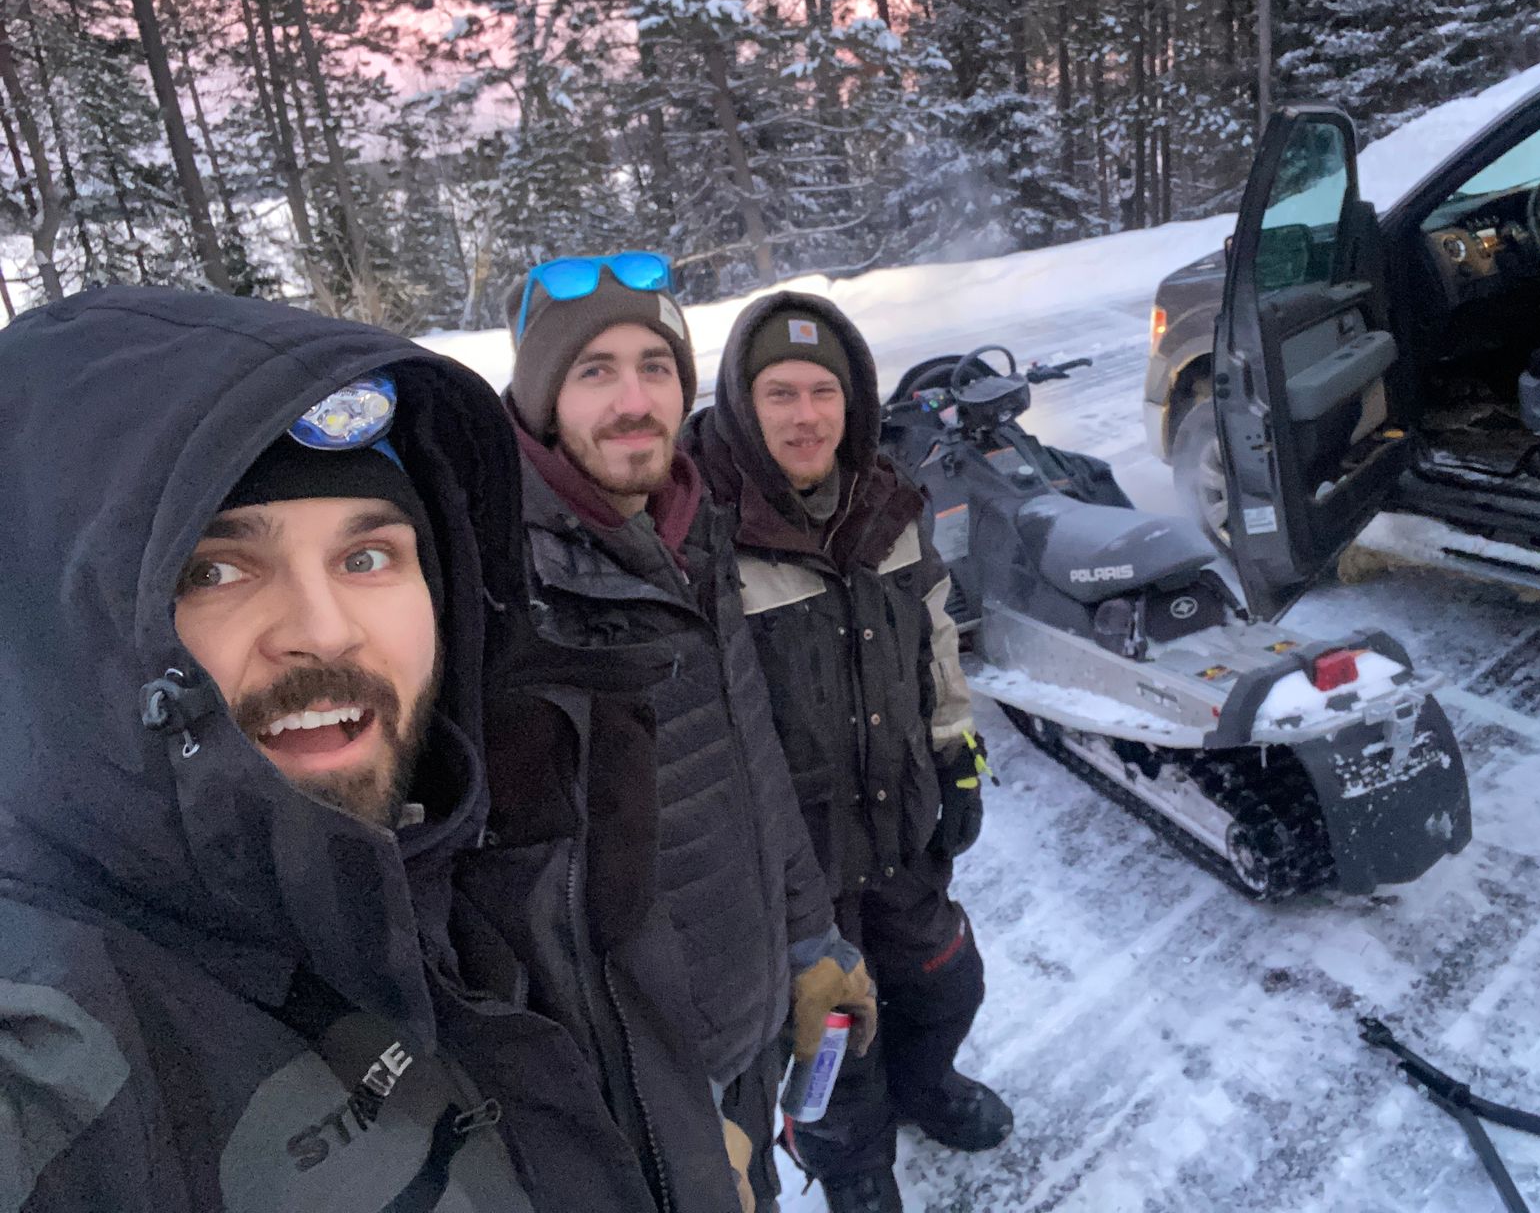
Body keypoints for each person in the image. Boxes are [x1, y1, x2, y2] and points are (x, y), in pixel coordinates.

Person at [0, 287, 676, 1210]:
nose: (324, 632)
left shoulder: (476, 852)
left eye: (367, 558)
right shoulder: (57, 1056)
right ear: (65, 637)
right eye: (216, 570)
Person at [503, 257, 876, 1211]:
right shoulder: (505, 581)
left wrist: (810, 941)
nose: (635, 401)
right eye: (595, 371)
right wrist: (648, 1111)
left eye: (656, 367)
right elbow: (512, 913)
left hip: (742, 1026)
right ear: (543, 396)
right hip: (648, 1093)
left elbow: (751, 762)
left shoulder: (691, 528)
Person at [683, 293, 1012, 1213]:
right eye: (778, 393)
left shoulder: (889, 504)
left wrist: (957, 752)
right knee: (827, 1036)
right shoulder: (700, 529)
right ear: (744, 404)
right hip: (793, 865)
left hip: (900, 824)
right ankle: (850, 1163)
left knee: (946, 981)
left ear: (854, 399)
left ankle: (927, 1082)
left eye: (822, 390)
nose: (804, 415)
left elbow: (935, 635)